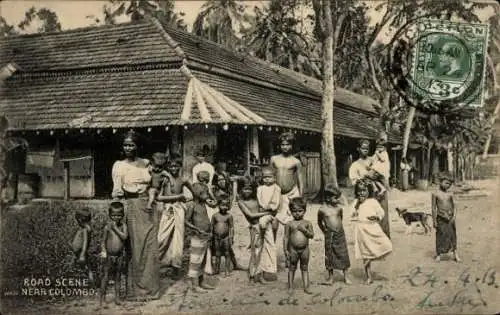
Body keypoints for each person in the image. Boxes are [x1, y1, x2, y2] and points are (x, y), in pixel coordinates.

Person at [111, 130, 160, 300]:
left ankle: (151, 290)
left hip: (149, 207)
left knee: (150, 247)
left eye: (131, 144)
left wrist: (151, 196)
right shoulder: (119, 165)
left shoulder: (146, 163)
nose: (128, 148)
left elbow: (155, 183)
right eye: (125, 145)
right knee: (135, 248)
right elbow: (117, 193)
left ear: (137, 146)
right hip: (131, 207)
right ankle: (135, 291)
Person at [156, 156, 192, 277]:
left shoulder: (183, 180)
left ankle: (175, 267)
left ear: (180, 167)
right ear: (168, 167)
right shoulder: (165, 180)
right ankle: (157, 264)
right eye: (171, 166)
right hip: (167, 209)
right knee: (162, 237)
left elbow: (194, 192)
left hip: (179, 209)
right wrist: (178, 197)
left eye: (176, 166)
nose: (173, 168)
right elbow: (159, 197)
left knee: (178, 238)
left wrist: (188, 200)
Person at [352, 180, 392, 284]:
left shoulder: (372, 202)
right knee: (365, 254)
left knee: (386, 245)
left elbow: (381, 212)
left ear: (368, 191)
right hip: (361, 231)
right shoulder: (355, 203)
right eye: (359, 191)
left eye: (364, 190)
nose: (361, 193)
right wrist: (355, 213)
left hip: (373, 228)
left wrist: (377, 217)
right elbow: (351, 216)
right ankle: (368, 277)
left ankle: (373, 258)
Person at [349, 139, 391, 239]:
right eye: (363, 148)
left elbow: (383, 170)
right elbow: (354, 182)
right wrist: (365, 178)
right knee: (368, 217)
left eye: (367, 148)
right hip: (366, 194)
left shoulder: (374, 159)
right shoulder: (354, 165)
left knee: (382, 214)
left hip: (379, 191)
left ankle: (384, 238)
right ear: (358, 149)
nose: (365, 150)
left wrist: (378, 177)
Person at [237, 178, 276, 283]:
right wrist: (266, 213)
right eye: (245, 189)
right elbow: (251, 215)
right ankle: (252, 275)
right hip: (255, 227)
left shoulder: (256, 200)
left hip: (263, 226)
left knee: (263, 252)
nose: (247, 191)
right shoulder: (241, 202)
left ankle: (260, 275)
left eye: (249, 189)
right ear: (240, 190)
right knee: (255, 252)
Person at [317, 184, 351, 285]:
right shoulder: (322, 210)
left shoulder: (339, 209)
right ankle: (330, 278)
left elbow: (341, 219)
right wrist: (325, 231)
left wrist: (338, 229)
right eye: (335, 198)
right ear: (327, 198)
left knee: (343, 254)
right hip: (329, 235)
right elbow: (319, 222)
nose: (337, 200)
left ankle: (346, 276)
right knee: (329, 255)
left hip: (340, 234)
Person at [185, 182, 216, 292]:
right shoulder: (192, 205)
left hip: (205, 236)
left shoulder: (204, 204)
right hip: (197, 236)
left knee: (203, 260)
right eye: (205, 193)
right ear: (198, 194)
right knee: (195, 261)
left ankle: (202, 282)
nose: (208, 194)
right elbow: (186, 221)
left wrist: (210, 194)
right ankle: (195, 285)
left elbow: (215, 202)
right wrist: (196, 229)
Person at [270, 132, 304, 226]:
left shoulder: (296, 161)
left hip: (292, 193)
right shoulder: (274, 159)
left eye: (287, 145)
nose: (285, 147)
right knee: (274, 219)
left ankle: (290, 239)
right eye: (282, 145)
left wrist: (301, 197)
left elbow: (301, 180)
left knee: (293, 219)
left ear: (292, 146)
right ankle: (273, 240)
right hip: (277, 193)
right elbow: (269, 175)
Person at [100, 201, 128, 306]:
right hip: (109, 256)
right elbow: (103, 241)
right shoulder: (107, 227)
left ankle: (117, 298)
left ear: (123, 215)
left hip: (119, 255)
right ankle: (102, 298)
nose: (116, 217)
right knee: (106, 277)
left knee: (118, 277)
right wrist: (103, 251)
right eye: (114, 215)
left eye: (119, 215)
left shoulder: (123, 226)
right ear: (110, 215)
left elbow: (125, 237)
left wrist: (115, 228)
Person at [284, 197, 314, 294]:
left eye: (300, 211)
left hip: (305, 249)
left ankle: (306, 286)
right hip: (293, 249)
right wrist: (285, 249)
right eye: (294, 211)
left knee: (304, 268)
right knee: (292, 268)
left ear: (304, 211)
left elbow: (311, 235)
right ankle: (290, 287)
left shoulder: (307, 223)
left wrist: (304, 230)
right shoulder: (289, 224)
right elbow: (286, 237)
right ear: (291, 211)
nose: (297, 213)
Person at [432, 173, 460, 262]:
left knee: (452, 235)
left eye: (450, 184)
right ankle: (439, 254)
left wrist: (454, 217)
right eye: (446, 183)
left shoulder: (450, 194)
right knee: (440, 235)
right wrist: (434, 221)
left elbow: (455, 206)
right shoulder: (435, 194)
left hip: (450, 217)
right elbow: (433, 208)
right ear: (440, 182)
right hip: (440, 217)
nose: (448, 185)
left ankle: (455, 253)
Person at [211, 194, 241, 276]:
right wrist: (211, 237)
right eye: (222, 205)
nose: (224, 207)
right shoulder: (215, 216)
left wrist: (231, 237)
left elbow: (231, 227)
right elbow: (212, 227)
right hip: (216, 238)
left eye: (226, 205)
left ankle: (227, 270)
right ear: (218, 205)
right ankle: (216, 269)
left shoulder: (229, 216)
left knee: (227, 253)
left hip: (226, 238)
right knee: (217, 254)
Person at [70, 208, 94, 282]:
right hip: (78, 252)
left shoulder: (85, 230)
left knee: (85, 267)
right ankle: (88, 280)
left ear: (80, 220)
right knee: (82, 266)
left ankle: (90, 282)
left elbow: (85, 242)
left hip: (80, 252)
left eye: (77, 221)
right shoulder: (84, 228)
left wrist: (82, 254)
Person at [256, 167, 281, 238]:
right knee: (262, 224)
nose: (267, 179)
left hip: (274, 212)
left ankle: (273, 240)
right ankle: (263, 237)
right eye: (265, 177)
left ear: (275, 178)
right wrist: (264, 206)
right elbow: (259, 200)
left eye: (269, 177)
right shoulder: (260, 188)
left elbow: (277, 201)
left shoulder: (277, 188)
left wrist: (272, 207)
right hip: (263, 212)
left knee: (274, 227)